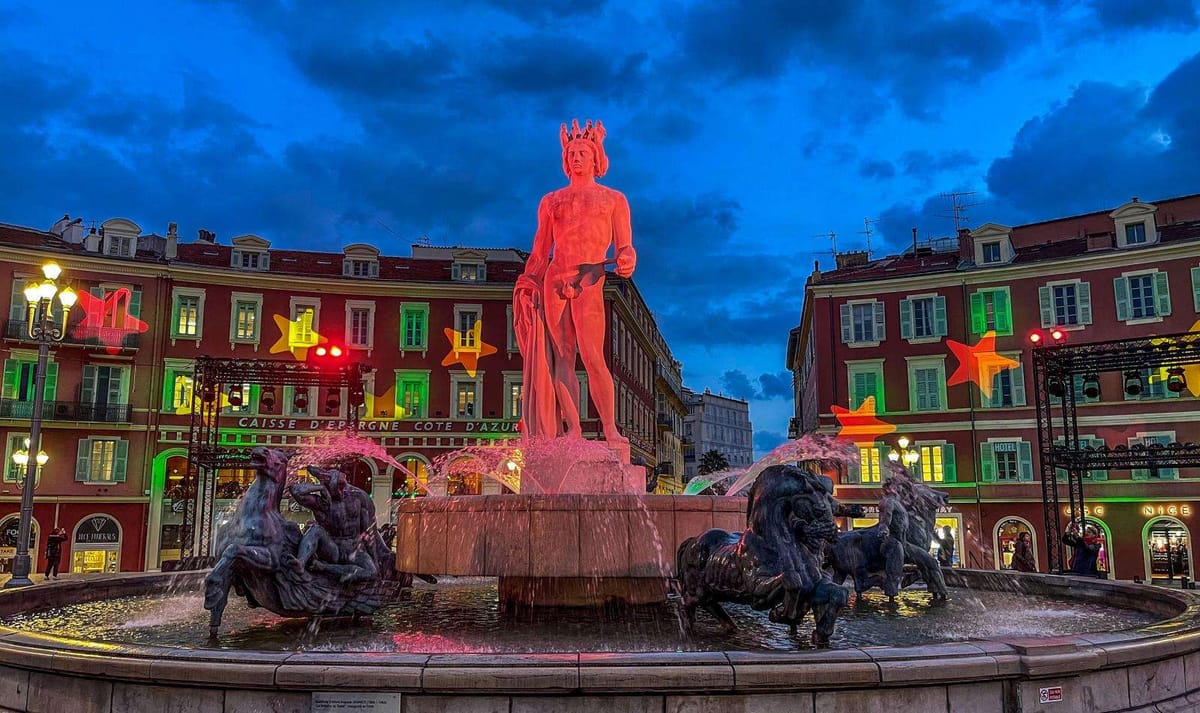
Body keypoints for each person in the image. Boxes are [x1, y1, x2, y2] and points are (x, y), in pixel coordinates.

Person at [514, 119, 636, 452]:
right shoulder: (551, 201)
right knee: (563, 357)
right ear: (565, 161)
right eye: (572, 153)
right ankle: (573, 431)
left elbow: (625, 246)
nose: (577, 157)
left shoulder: (613, 199)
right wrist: (528, 281)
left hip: (589, 278)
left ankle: (610, 429)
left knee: (594, 356)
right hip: (555, 278)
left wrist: (627, 258)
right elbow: (540, 250)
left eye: (583, 152)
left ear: (596, 158)